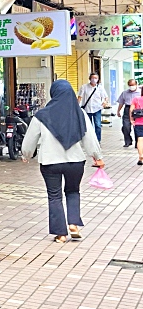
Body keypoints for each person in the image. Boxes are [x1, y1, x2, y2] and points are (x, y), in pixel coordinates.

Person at [21, 80, 104, 243]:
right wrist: (97, 156)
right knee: (73, 191)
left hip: (50, 162)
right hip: (75, 162)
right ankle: (73, 224)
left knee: (54, 196)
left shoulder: (41, 115)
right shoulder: (80, 114)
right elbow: (90, 139)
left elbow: (29, 141)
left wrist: (27, 155)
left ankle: (61, 234)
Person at [77, 73, 109, 142]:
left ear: (98, 79)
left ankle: (98, 139)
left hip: (97, 108)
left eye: (96, 78)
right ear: (89, 78)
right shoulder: (84, 87)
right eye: (92, 78)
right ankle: (89, 140)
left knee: (98, 124)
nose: (94, 79)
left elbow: (106, 97)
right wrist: (77, 106)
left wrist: (105, 102)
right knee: (88, 125)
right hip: (87, 109)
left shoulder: (100, 88)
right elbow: (80, 97)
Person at [117, 79, 141, 148]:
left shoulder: (140, 92)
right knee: (126, 127)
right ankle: (128, 141)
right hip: (127, 109)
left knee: (137, 127)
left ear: (136, 84)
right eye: (130, 85)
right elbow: (121, 102)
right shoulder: (125, 93)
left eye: (133, 85)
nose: (131, 87)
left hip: (137, 110)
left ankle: (137, 143)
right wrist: (118, 111)